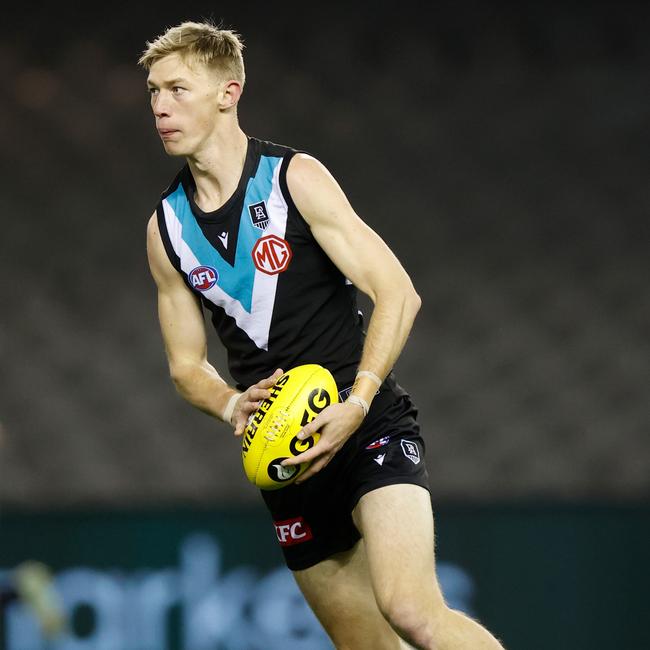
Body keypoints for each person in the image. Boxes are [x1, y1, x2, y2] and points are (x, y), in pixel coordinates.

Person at [140, 21, 505, 650]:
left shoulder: (293, 179)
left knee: (412, 611)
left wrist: (357, 402)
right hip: (287, 461)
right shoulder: (165, 229)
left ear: (228, 92)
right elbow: (184, 365)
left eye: (177, 88)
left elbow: (397, 292)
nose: (160, 107)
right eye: (153, 92)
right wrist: (229, 403)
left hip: (366, 424)